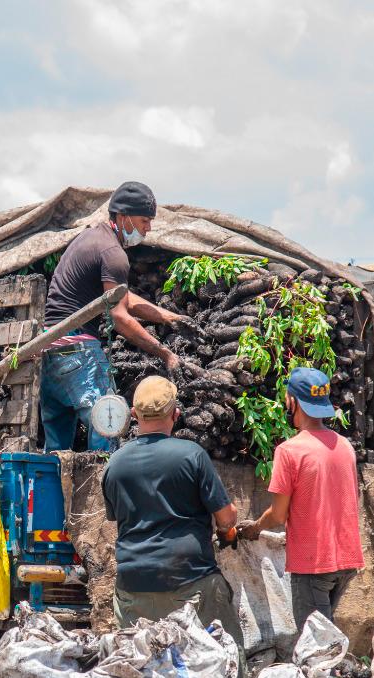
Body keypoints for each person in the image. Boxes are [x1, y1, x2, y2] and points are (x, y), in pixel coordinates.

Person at [39, 181, 189, 451]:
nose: (148, 228)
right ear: (122, 216)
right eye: (144, 220)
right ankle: (101, 490)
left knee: (57, 449)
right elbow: (119, 317)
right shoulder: (113, 253)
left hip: (50, 351)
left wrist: (169, 317)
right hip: (79, 352)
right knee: (108, 424)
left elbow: (122, 297)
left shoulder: (90, 238)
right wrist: (166, 354)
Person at [102, 376, 243, 653]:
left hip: (133, 585)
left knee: (141, 667)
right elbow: (226, 519)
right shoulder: (191, 455)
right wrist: (228, 525)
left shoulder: (115, 464)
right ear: (175, 414)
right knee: (225, 654)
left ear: (133, 415)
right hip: (191, 582)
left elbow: (119, 521)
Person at [239, 367, 363, 630]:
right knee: (326, 638)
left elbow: (278, 514)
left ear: (292, 402)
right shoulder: (344, 446)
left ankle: (329, 673)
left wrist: (255, 528)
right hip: (346, 560)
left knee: (314, 646)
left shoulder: (289, 451)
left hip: (314, 564)